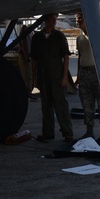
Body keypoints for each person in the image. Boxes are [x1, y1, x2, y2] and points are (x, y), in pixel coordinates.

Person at [30, 14, 73, 143]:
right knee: (46, 105)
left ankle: (67, 132)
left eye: (55, 20)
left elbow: (65, 56)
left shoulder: (59, 36)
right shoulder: (37, 37)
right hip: (43, 75)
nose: (54, 22)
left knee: (61, 104)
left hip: (57, 75)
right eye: (51, 20)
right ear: (45, 21)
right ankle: (47, 133)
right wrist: (34, 78)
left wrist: (65, 76)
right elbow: (34, 59)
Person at [74, 15, 100, 141]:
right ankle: (89, 131)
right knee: (87, 104)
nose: (78, 20)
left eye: (81, 18)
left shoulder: (98, 36)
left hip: (97, 72)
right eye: (77, 18)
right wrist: (78, 76)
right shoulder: (80, 38)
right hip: (84, 73)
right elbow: (80, 57)